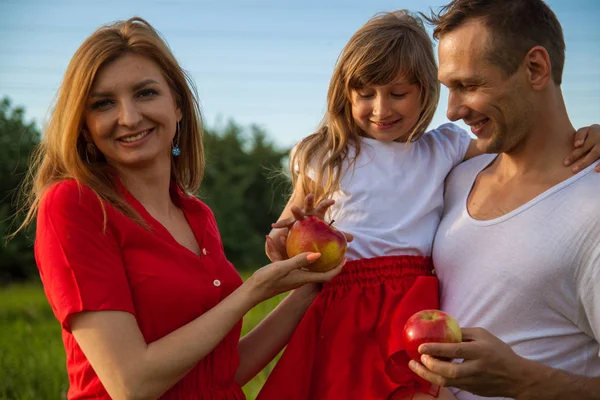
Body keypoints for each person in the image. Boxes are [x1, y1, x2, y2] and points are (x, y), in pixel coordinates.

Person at [257, 9, 600, 400]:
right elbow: (287, 235)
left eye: (469, 84)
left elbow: (537, 144)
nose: (381, 109)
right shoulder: (338, 157)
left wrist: (593, 134)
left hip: (408, 305)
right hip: (345, 304)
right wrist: (287, 241)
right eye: (366, 93)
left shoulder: (444, 152)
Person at [13, 17, 346, 400]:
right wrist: (253, 289)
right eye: (103, 103)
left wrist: (309, 280)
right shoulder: (74, 205)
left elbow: (223, 372)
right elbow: (131, 383)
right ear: (85, 126)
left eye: (145, 93)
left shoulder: (197, 216)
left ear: (178, 106)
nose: (129, 117)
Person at [406, 1, 600, 399]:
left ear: (535, 68)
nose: (453, 110)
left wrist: (525, 382)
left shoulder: (592, 210)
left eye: (469, 85)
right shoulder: (455, 180)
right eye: (448, 88)